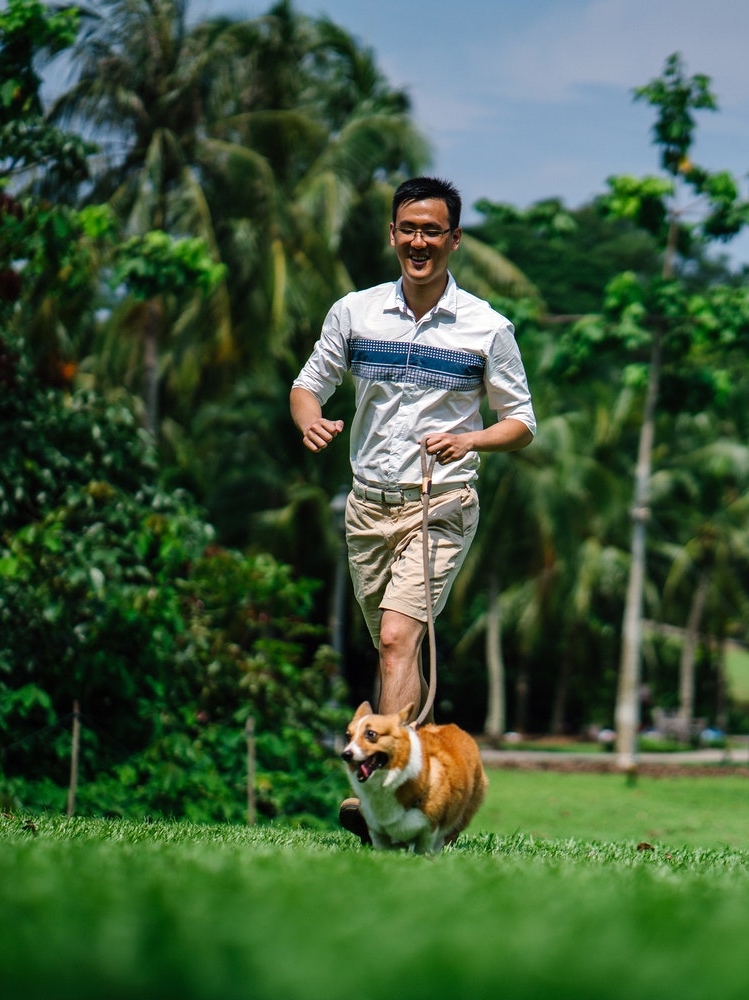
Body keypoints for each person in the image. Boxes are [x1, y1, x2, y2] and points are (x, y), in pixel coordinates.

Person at [290, 176, 536, 842]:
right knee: (391, 648)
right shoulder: (354, 313)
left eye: (433, 230)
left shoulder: (488, 326)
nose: (420, 241)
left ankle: (376, 802)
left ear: (454, 239)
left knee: (399, 641)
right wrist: (310, 419)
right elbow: (307, 385)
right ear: (392, 235)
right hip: (367, 508)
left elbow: (521, 420)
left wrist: (471, 437)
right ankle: (424, 790)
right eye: (409, 229)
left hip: (442, 502)